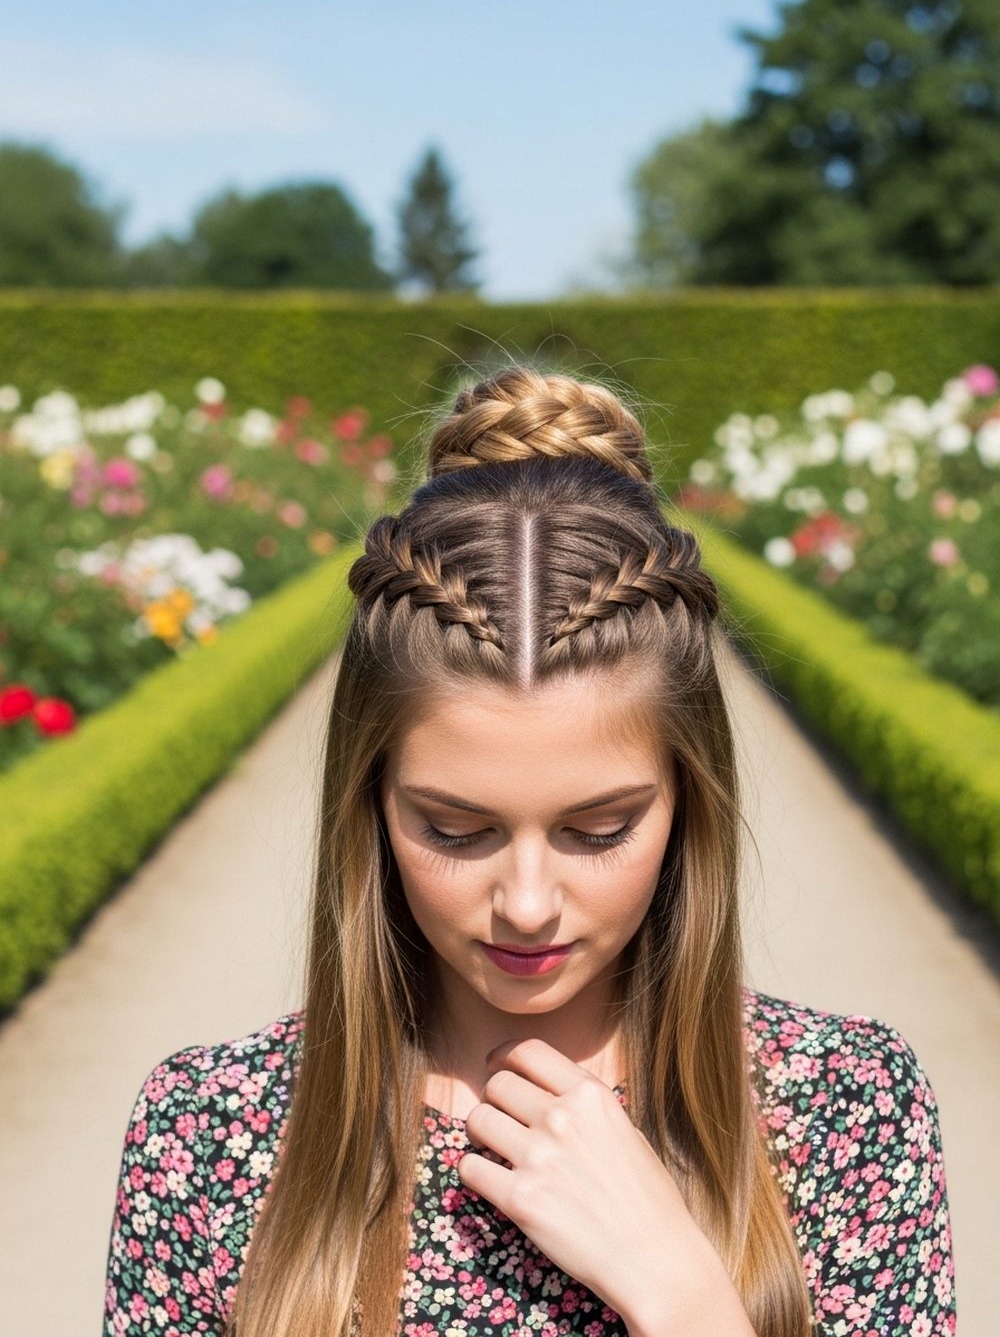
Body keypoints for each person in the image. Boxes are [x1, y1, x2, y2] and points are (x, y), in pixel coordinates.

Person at [101, 364, 956, 1337]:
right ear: (368, 800)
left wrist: (684, 1296)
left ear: (688, 797)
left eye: (598, 830)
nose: (529, 903)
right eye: (455, 830)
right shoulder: (210, 1134)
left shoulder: (842, 1112)